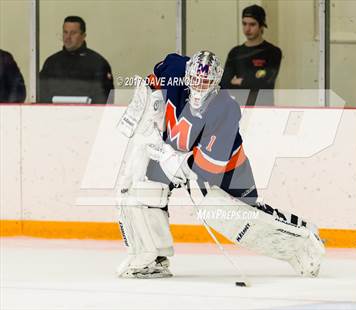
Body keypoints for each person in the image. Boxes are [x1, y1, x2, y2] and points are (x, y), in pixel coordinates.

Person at [116, 51, 324, 279]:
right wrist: (145, 99)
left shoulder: (225, 108)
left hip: (228, 168)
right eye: (195, 80)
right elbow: (154, 80)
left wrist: (174, 162)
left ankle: (304, 240)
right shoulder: (176, 69)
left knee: (246, 217)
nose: (199, 86)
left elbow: (208, 166)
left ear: (216, 81)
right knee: (142, 188)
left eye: (206, 82)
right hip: (174, 152)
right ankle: (153, 257)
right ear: (187, 75)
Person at [39, 16, 114, 104]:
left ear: (83, 36)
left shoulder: (98, 63)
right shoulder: (51, 63)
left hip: (88, 116)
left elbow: (105, 98)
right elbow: (40, 94)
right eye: (65, 32)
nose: (68, 37)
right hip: (54, 115)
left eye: (73, 33)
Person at [220, 4, 282, 106]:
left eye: (252, 24)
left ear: (262, 25)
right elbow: (225, 83)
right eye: (244, 24)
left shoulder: (273, 52)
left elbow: (267, 82)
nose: (247, 29)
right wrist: (253, 79)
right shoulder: (235, 52)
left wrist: (240, 81)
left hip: (264, 109)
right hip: (240, 108)